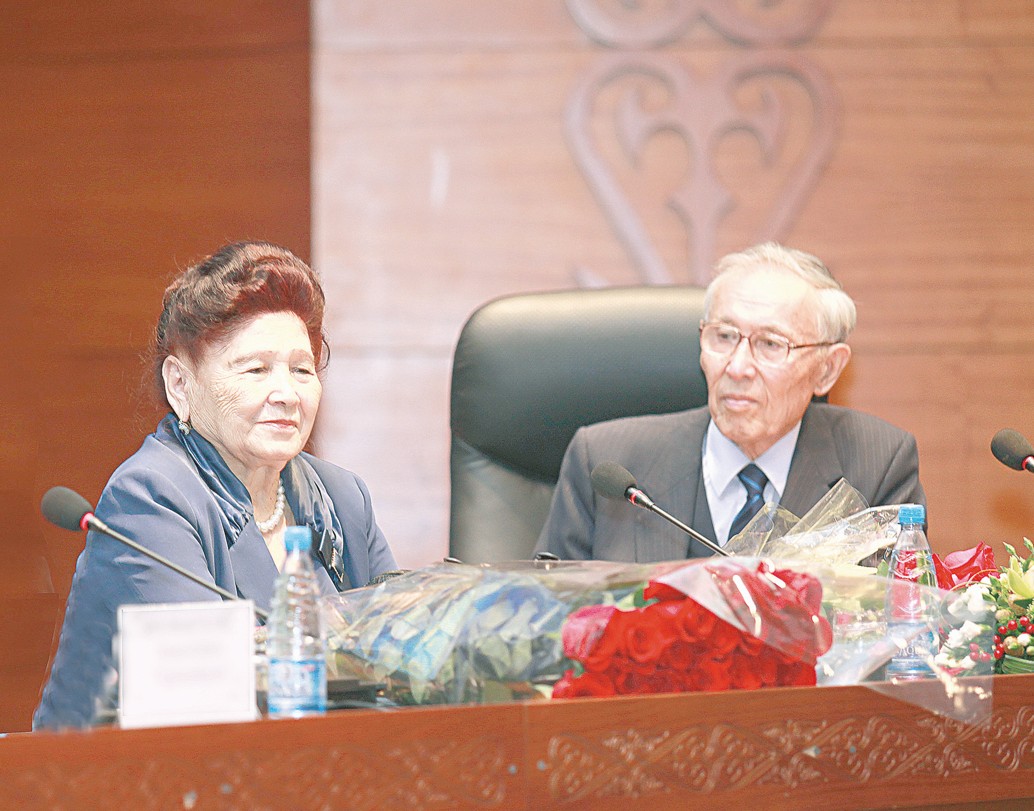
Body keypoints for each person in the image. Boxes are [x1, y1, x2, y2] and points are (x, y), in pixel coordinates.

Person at [35, 241, 397, 729]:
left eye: (302, 369)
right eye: (256, 370)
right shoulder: (149, 499)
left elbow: (405, 659)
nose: (287, 393)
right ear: (180, 385)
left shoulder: (343, 497)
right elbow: (212, 693)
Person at [535, 242, 925, 562]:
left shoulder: (878, 465)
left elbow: (898, 619)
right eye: (724, 337)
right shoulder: (608, 463)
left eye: (770, 344)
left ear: (826, 369)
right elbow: (548, 615)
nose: (737, 367)